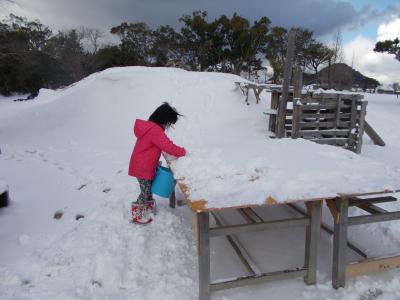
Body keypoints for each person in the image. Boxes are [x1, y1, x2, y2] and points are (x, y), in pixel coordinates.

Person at [128, 102, 186, 224]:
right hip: (142, 167)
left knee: (147, 189)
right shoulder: (155, 130)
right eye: (168, 122)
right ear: (163, 119)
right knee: (146, 191)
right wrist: (183, 152)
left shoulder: (149, 127)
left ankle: (147, 208)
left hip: (142, 164)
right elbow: (168, 146)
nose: (167, 125)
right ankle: (138, 215)